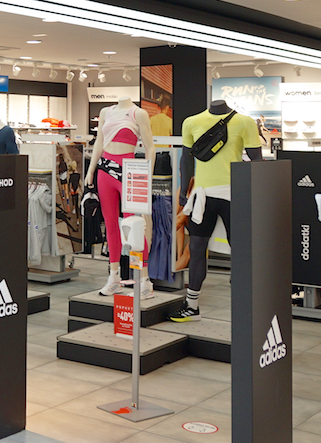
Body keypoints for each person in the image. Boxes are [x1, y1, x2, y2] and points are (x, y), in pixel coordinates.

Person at [170, 100, 261, 322]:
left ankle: (247, 306)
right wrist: (184, 191)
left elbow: (257, 161)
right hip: (203, 195)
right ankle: (192, 306)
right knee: (197, 247)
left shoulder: (245, 122)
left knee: (241, 250)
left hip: (234, 194)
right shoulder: (191, 122)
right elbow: (186, 159)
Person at [86, 98, 156, 297]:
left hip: (130, 171)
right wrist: (91, 169)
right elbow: (99, 141)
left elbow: (150, 147)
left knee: (133, 225)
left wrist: (146, 177)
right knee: (110, 225)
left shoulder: (138, 113)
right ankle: (114, 276)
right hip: (105, 171)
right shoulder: (106, 112)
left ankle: (144, 279)